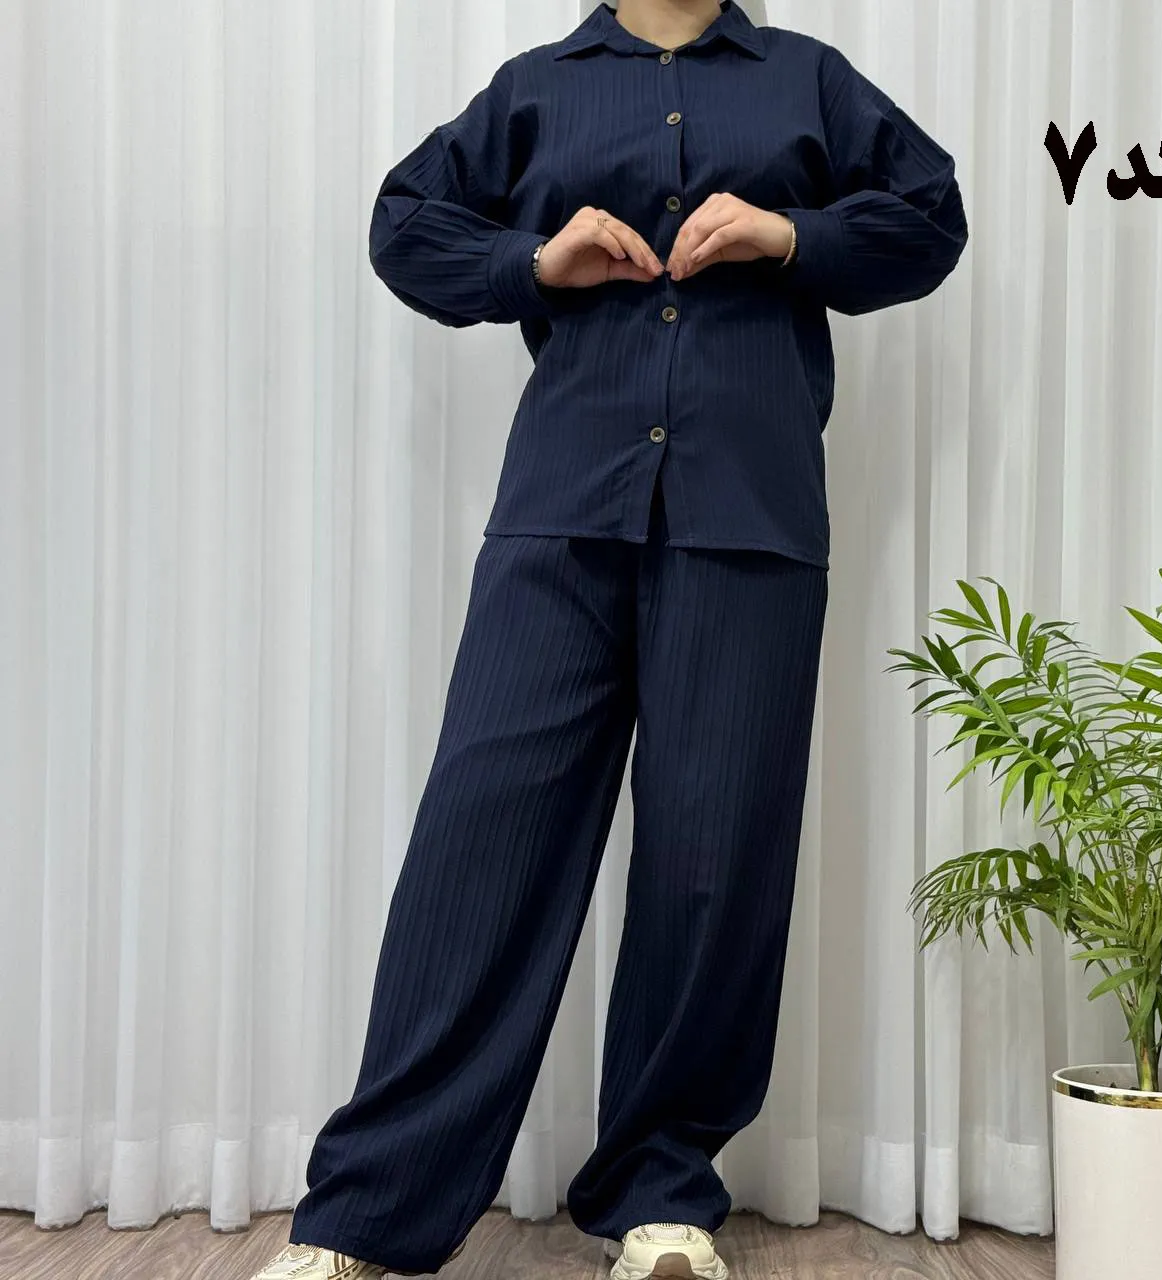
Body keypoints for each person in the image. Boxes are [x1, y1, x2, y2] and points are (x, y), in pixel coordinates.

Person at [251, 2, 967, 1277]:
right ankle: (362, 1211)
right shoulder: (538, 86)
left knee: (710, 864)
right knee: (480, 846)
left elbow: (929, 218)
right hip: (561, 508)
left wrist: (789, 235)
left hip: (746, 516)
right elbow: (404, 223)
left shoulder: (806, 80)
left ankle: (660, 1189)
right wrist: (532, 262)